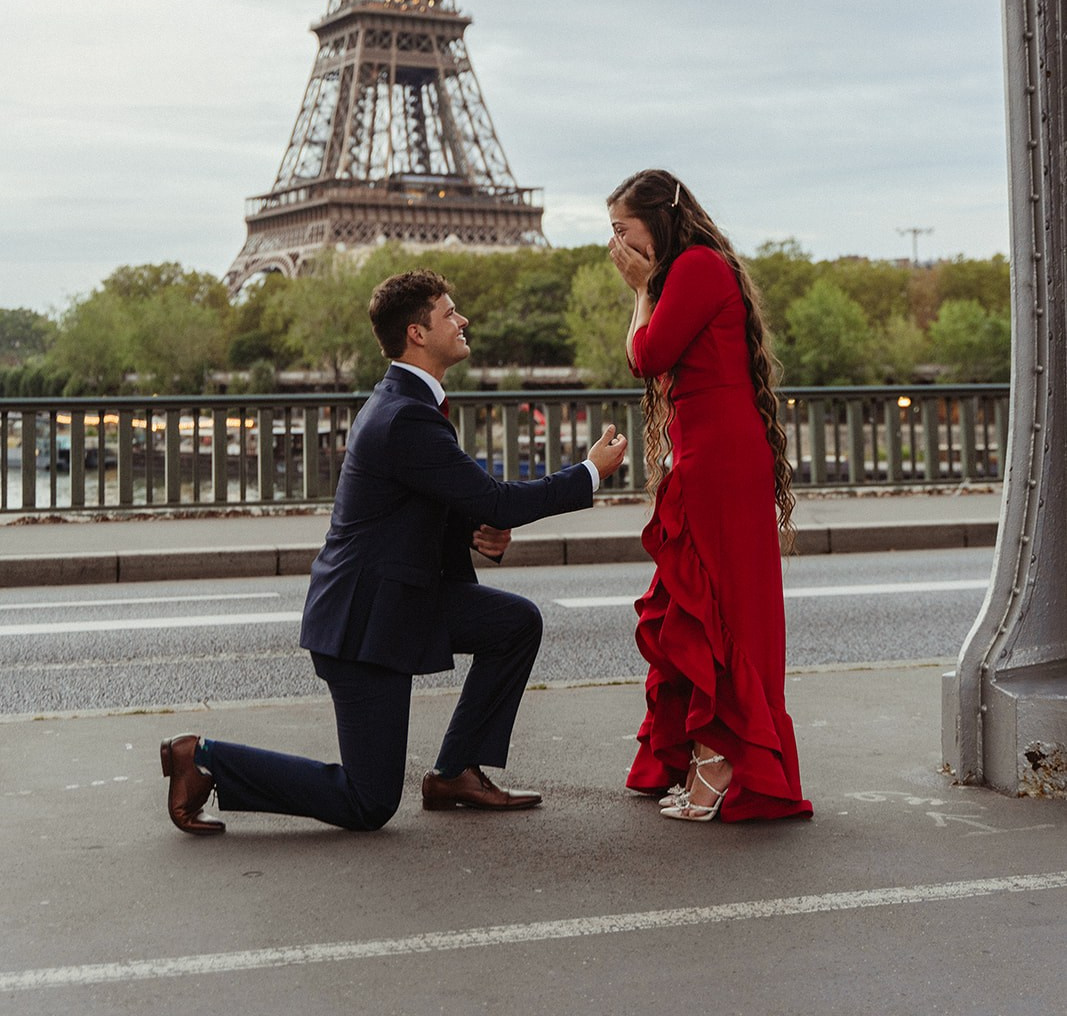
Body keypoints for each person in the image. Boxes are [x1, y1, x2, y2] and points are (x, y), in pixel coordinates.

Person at [160, 269, 627, 835]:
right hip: (366, 624)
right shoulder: (405, 414)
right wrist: (588, 474)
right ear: (417, 333)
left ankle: (456, 771)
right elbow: (494, 499)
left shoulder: (404, 402)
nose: (464, 320)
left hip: (400, 598)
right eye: (450, 313)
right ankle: (204, 759)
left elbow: (424, 504)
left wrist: (477, 529)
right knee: (369, 801)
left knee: (514, 623)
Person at [607, 170, 812, 823]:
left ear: (655, 224)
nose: (614, 242)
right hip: (705, 452)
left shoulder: (693, 267)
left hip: (717, 458)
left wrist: (640, 292)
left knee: (718, 608)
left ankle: (722, 764)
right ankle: (708, 753)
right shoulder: (693, 268)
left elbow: (646, 354)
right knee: (703, 603)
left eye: (621, 228)